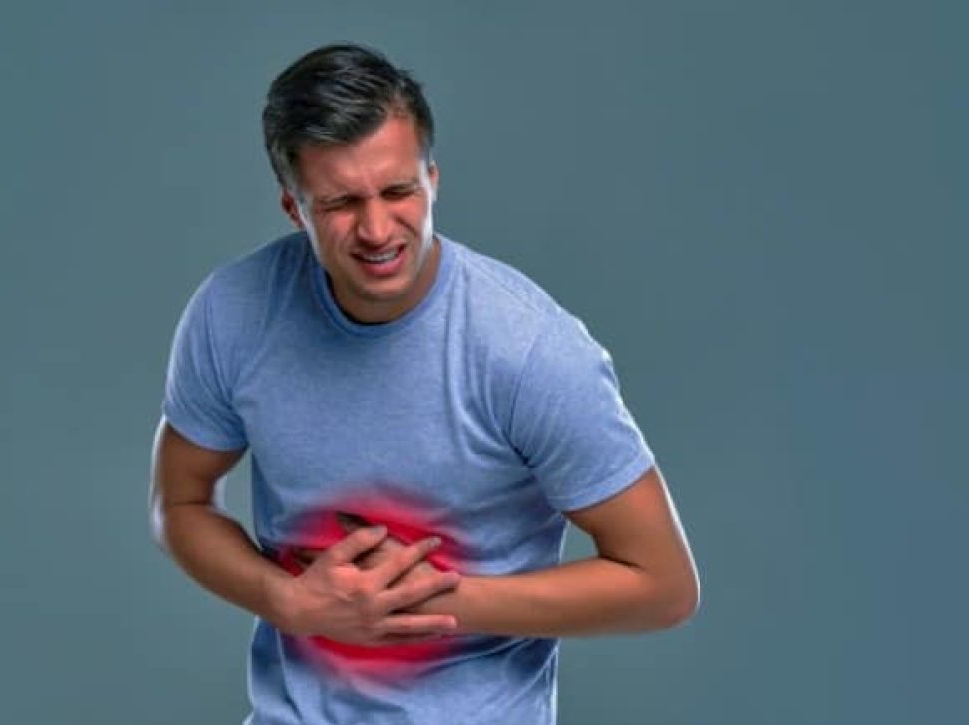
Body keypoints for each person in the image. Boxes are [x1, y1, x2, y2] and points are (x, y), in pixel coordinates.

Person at [150, 43, 699, 725]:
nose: (377, 230)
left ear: (432, 179)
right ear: (295, 207)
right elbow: (179, 501)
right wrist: (289, 601)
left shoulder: (529, 349)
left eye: (398, 191)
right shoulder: (233, 310)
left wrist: (432, 600)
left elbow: (664, 585)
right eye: (341, 202)